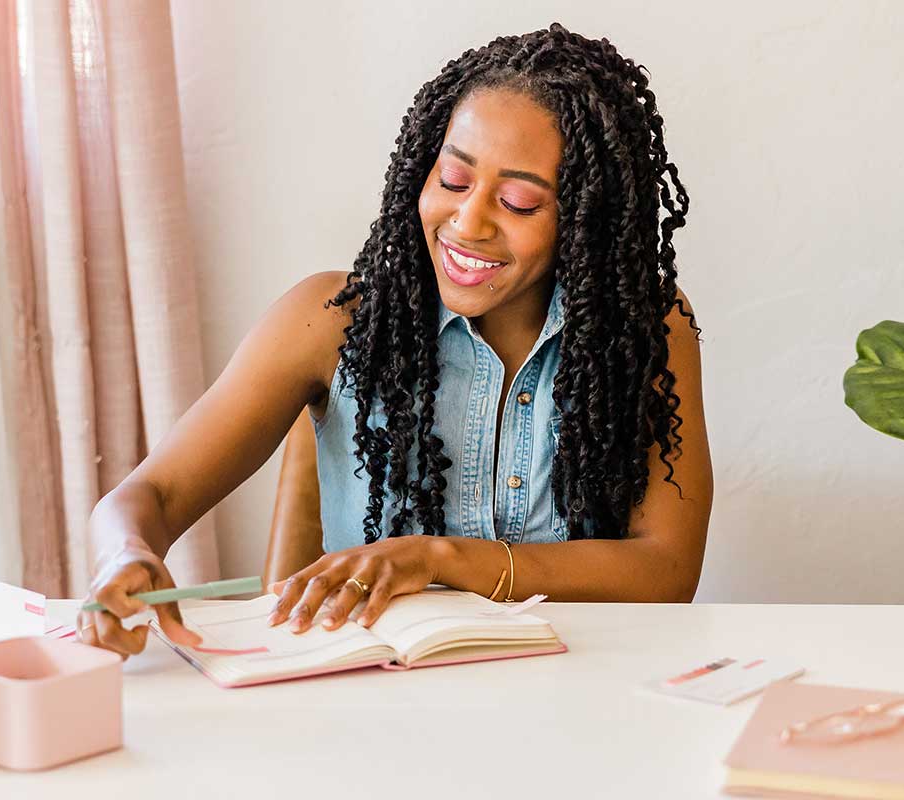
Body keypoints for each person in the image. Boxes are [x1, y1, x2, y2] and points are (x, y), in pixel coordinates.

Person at [77, 22, 713, 657]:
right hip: (372, 705)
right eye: (454, 181)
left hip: (577, 699)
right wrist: (125, 553)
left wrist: (437, 558)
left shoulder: (644, 332)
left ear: (584, 218)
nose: (468, 222)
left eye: (518, 202)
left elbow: (666, 570)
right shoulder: (328, 320)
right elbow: (150, 494)